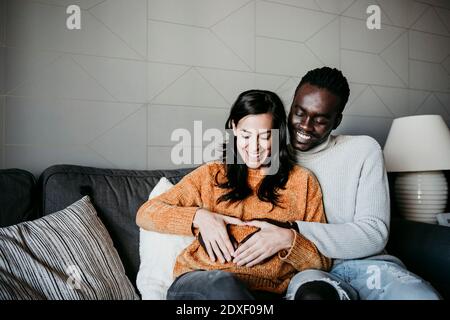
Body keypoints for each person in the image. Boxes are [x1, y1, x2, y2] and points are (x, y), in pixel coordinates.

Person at [136, 89, 331, 300]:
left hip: (265, 293)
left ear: (278, 134)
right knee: (225, 288)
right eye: (246, 135)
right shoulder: (211, 174)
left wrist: (288, 239)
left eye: (265, 136)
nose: (254, 147)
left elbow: (323, 261)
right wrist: (200, 217)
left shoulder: (303, 182)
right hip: (203, 282)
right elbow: (145, 213)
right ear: (234, 129)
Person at [283, 67, 441, 300]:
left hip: (369, 265)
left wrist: (292, 231)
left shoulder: (364, 150)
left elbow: (374, 233)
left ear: (337, 121)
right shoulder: (271, 155)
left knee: (420, 296)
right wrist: (206, 216)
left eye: (320, 120)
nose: (305, 126)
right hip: (311, 270)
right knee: (313, 297)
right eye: (299, 113)